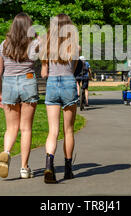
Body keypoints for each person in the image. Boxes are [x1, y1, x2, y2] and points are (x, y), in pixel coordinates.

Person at [0, 12, 40, 180]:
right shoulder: (35, 43)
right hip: (28, 82)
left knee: (11, 128)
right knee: (26, 128)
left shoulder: (4, 45)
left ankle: (6, 152)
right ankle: (24, 168)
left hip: (9, 85)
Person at [41, 14, 79, 184]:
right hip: (68, 83)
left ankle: (49, 163)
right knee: (68, 130)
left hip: (52, 84)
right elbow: (74, 69)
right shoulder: (75, 46)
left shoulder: (46, 45)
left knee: (53, 130)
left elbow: (44, 71)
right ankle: (68, 169)